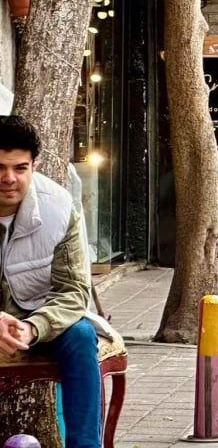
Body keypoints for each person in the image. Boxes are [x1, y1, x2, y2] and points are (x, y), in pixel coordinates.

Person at [0, 117, 113, 448]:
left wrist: (34, 327)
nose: (9, 178)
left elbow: (75, 291)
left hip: (37, 321)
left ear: (34, 165)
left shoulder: (59, 207)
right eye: (0, 167)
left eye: (20, 168)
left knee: (80, 334)